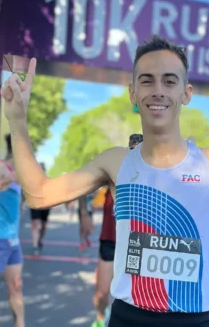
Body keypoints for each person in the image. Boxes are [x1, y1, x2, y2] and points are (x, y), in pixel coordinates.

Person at [2, 36, 209, 327]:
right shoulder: (115, 162)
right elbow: (39, 195)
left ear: (186, 93)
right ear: (133, 92)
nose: (157, 90)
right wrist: (17, 121)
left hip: (193, 320)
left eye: (169, 81)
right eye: (146, 81)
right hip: (128, 318)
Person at [92, 133, 143, 327]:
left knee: (134, 298)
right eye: (131, 150)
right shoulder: (112, 174)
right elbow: (83, 185)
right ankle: (99, 319)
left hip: (135, 244)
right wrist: (84, 215)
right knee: (102, 293)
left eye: (139, 150)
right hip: (110, 241)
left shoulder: (150, 181)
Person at [0, 134, 24, 327]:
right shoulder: (3, 168)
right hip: (0, 240)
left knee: (15, 287)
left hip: (13, 242)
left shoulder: (16, 176)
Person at [28, 162, 51, 254]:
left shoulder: (48, 180)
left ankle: (39, 240)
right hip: (35, 205)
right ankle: (35, 246)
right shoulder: (31, 181)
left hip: (45, 206)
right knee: (35, 225)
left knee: (43, 226)